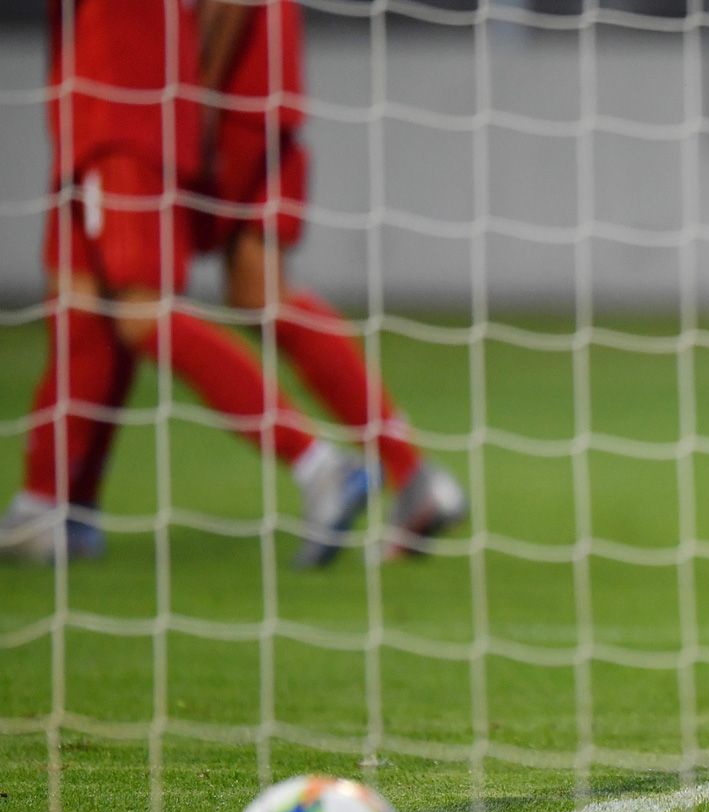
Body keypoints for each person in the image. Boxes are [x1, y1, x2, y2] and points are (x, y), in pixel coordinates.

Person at [0, 0, 369, 568]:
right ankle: (49, 506)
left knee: (142, 313)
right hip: (90, 112)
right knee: (79, 310)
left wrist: (198, 98)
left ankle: (320, 465)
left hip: (126, 111)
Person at [187, 0, 465, 561]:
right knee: (255, 294)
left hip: (235, 95)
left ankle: (339, 468)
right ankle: (411, 475)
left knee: (130, 299)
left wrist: (198, 100)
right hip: (266, 87)